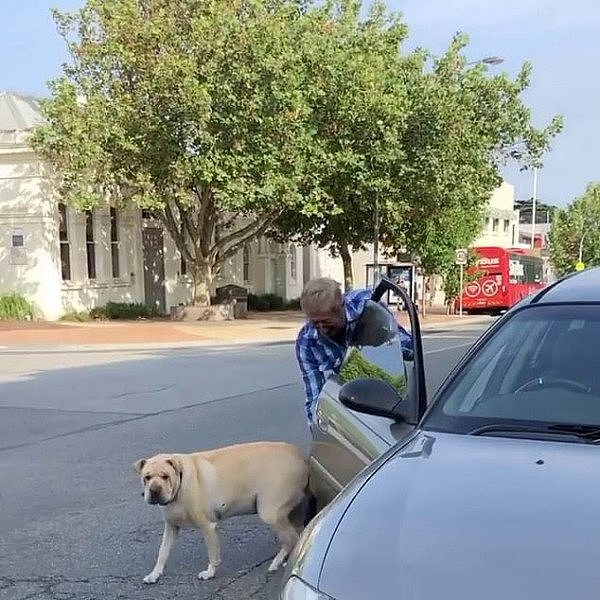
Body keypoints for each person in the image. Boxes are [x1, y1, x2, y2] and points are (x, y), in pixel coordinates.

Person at [295, 277, 413, 424]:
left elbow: (407, 346)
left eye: (326, 321)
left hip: (393, 395)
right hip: (352, 403)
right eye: (314, 322)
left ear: (341, 307)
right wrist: (318, 429)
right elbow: (314, 396)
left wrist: (382, 336)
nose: (321, 328)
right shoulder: (307, 343)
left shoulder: (368, 306)